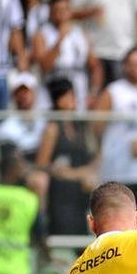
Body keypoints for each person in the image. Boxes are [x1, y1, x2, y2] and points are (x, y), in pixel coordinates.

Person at [94, 46, 137, 212]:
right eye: (132, 63)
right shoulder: (113, 91)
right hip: (117, 169)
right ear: (125, 66)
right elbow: (97, 126)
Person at [36, 78, 98, 236]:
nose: (72, 100)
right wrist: (64, 173)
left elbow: (94, 157)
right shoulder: (52, 128)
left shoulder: (81, 126)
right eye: (67, 95)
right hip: (60, 195)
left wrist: (80, 173)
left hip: (82, 194)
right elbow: (41, 164)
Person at [32, 0, 102, 109]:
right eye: (58, 10)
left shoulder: (80, 33)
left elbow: (95, 66)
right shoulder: (42, 34)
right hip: (52, 86)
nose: (62, 13)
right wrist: (60, 39)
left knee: (76, 123)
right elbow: (44, 66)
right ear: (51, 12)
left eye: (65, 9)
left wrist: (94, 92)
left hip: (78, 87)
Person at [70, 0, 137, 85]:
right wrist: (89, 12)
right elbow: (68, 12)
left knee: (122, 95)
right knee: (96, 95)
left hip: (125, 53)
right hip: (95, 54)